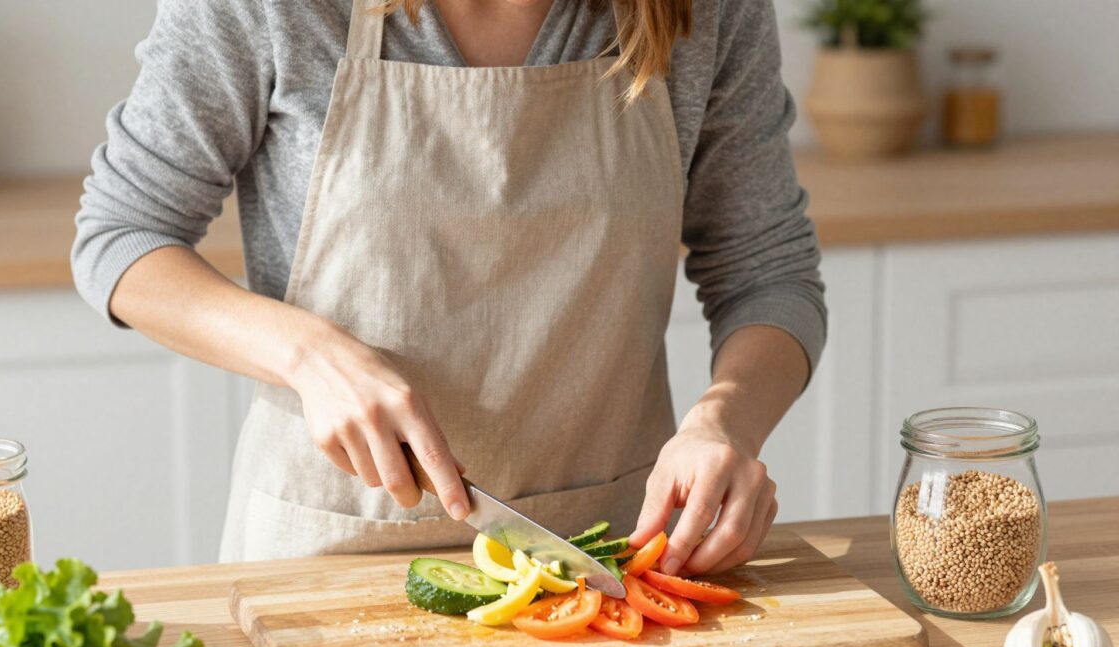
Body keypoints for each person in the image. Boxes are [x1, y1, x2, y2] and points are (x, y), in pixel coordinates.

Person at [72, 0, 825, 577]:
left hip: (606, 557)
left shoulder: (705, 11)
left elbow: (768, 272)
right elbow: (122, 238)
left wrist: (725, 425)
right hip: (330, 553)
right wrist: (309, 354)